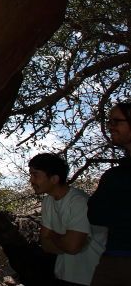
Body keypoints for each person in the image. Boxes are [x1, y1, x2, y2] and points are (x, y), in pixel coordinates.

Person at [27, 153, 107, 285]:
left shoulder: (78, 202)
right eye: (31, 175)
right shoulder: (48, 201)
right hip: (64, 275)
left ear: (54, 179)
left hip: (91, 276)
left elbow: (72, 247)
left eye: (35, 175)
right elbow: (46, 244)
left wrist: (53, 235)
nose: (31, 180)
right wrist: (64, 239)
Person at [88, 101, 131, 286]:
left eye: (116, 121)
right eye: (109, 122)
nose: (110, 127)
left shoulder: (114, 177)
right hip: (114, 257)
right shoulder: (114, 174)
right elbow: (95, 214)